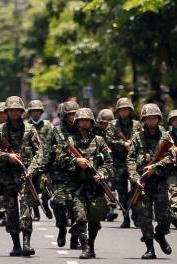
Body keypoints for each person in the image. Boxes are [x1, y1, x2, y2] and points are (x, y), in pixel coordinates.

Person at [0, 95, 38, 257]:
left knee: (26, 210)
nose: (15, 113)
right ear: (7, 112)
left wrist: (32, 168)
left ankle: (26, 243)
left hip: (24, 176)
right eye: (11, 110)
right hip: (6, 177)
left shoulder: (30, 129)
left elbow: (40, 152)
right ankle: (16, 244)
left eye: (17, 110)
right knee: (11, 212)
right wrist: (6, 156)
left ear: (22, 112)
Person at [62, 107, 113, 260]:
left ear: (91, 122)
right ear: (77, 122)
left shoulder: (99, 141)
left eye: (87, 120)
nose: (84, 123)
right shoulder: (69, 141)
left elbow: (109, 162)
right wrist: (75, 160)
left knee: (95, 222)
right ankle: (84, 246)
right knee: (80, 217)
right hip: (76, 185)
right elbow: (60, 161)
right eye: (81, 120)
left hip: (95, 186)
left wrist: (102, 173)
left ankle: (90, 244)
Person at [127, 103, 174, 260]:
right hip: (143, 183)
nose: (152, 120)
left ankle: (160, 235)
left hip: (159, 181)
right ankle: (149, 248)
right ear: (144, 119)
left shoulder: (166, 136)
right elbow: (131, 159)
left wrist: (155, 166)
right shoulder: (137, 136)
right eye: (149, 118)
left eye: (154, 117)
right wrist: (135, 179)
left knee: (165, 217)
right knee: (144, 217)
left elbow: (172, 158)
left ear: (159, 118)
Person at [35, 100, 79, 249]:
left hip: (78, 176)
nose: (73, 117)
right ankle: (61, 227)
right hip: (58, 176)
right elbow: (47, 153)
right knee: (58, 203)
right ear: (64, 116)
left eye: (75, 114)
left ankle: (75, 238)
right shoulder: (55, 131)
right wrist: (44, 172)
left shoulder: (84, 130)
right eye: (70, 114)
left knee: (76, 208)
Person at [106, 97, 136, 229]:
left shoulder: (137, 125)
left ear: (130, 110)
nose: (124, 112)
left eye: (126, 109)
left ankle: (136, 214)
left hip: (135, 162)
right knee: (121, 192)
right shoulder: (113, 125)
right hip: (119, 162)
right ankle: (125, 217)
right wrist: (123, 144)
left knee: (136, 190)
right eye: (121, 110)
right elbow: (109, 141)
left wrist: (132, 144)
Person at [26, 99, 53, 221]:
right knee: (33, 188)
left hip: (46, 161)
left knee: (47, 187)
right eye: (33, 111)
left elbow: (54, 140)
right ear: (30, 112)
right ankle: (36, 212)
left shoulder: (48, 125)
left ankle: (46, 203)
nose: (35, 113)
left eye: (38, 111)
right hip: (32, 161)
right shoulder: (26, 126)